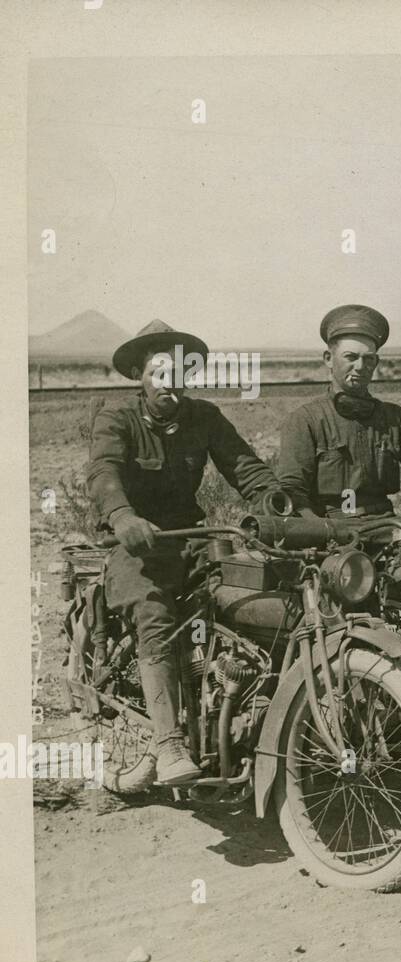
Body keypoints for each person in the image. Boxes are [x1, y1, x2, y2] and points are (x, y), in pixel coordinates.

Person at [87, 320, 281, 784]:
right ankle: (169, 743)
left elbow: (245, 468)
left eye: (178, 372)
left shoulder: (204, 418)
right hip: (133, 543)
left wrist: (280, 506)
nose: (169, 381)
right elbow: (103, 473)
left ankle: (238, 699)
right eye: (158, 371)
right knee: (154, 611)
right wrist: (123, 517)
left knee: (247, 590)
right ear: (140, 374)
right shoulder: (117, 420)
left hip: (191, 538)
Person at [275, 305, 401, 518]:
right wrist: (316, 529)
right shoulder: (305, 420)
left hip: (387, 525)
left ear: (376, 363)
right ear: (328, 359)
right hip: (330, 533)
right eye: (351, 357)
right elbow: (292, 490)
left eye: (368, 359)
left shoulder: (396, 420)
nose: (360, 366)